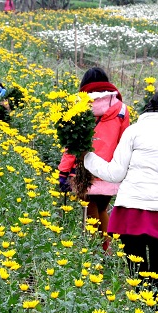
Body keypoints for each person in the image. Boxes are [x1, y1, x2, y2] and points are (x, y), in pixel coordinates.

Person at [84, 90, 158, 292]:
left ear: (150, 107)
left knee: (137, 275)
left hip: (129, 212)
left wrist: (87, 157)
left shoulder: (134, 131)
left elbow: (115, 173)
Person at [58, 67, 130, 252]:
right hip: (110, 170)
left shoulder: (78, 107)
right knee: (101, 210)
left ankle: (94, 252)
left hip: (84, 170)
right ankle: (106, 247)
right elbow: (125, 142)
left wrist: (64, 171)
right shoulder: (121, 109)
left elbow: (71, 146)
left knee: (89, 212)